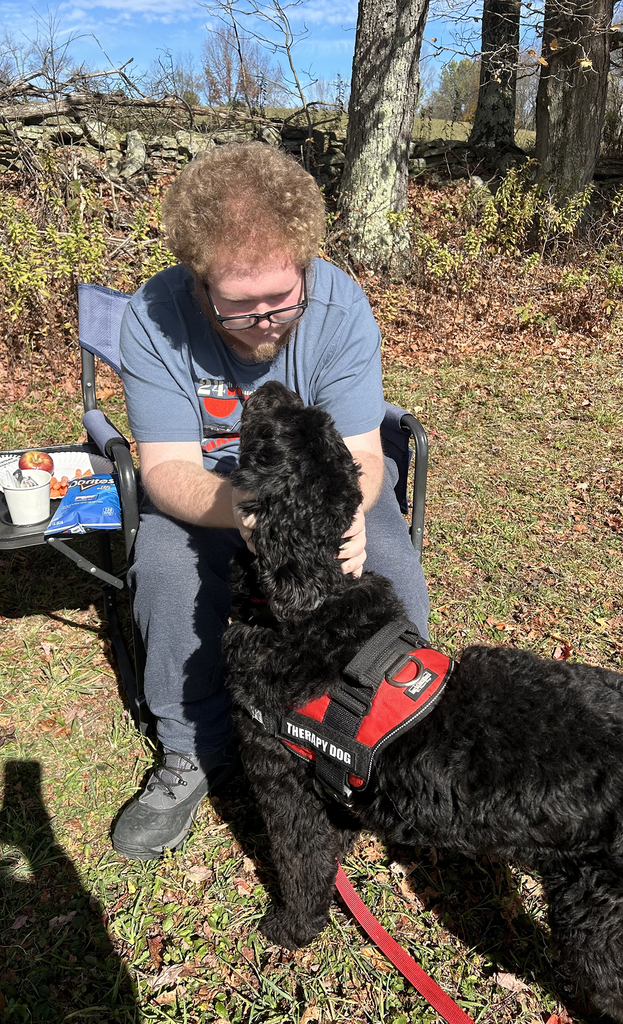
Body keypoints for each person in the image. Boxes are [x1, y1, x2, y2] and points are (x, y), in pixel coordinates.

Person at [112, 142, 429, 860]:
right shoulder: (153, 316)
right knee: (164, 572)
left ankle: (381, 733)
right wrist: (248, 514)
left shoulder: (339, 304)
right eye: (239, 306)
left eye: (280, 301)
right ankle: (194, 749)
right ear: (199, 284)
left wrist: (341, 517)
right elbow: (165, 470)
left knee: (392, 570)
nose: (264, 322)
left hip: (326, 491)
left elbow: (362, 451)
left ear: (305, 265)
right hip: (216, 494)